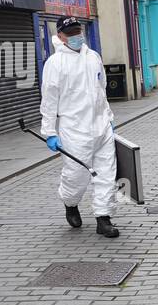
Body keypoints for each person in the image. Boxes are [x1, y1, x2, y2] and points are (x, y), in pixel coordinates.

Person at [40, 17, 119, 238]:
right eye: (71, 33)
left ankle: (103, 218)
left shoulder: (93, 57)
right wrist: (49, 132)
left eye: (78, 31)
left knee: (106, 174)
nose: (76, 36)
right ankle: (70, 202)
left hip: (101, 127)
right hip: (74, 130)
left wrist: (109, 118)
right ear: (61, 36)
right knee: (76, 175)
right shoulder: (55, 64)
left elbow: (101, 90)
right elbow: (49, 101)